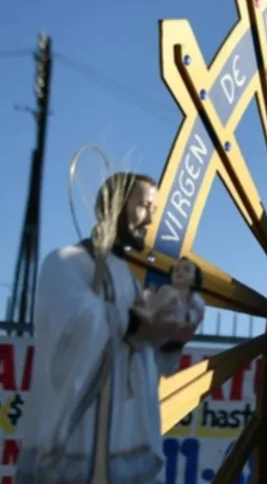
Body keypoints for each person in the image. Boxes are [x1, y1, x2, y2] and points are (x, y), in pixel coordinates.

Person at [16, 172, 203, 484]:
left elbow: (139, 359)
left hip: (123, 435)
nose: (149, 220)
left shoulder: (126, 276)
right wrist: (133, 323)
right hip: (81, 435)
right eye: (143, 206)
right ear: (114, 204)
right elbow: (69, 332)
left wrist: (169, 338)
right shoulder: (64, 262)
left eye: (154, 211)